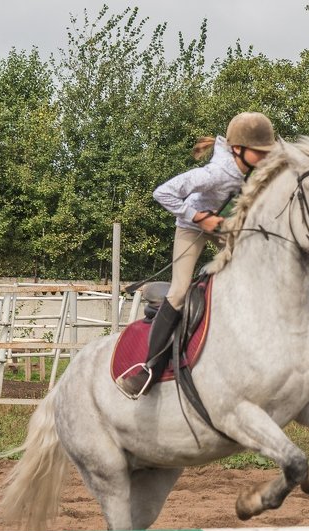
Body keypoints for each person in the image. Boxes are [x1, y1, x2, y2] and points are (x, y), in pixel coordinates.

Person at [118, 111, 277, 398]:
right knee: (179, 292)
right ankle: (149, 368)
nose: (265, 157)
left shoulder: (253, 169)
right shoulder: (214, 173)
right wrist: (197, 217)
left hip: (222, 227)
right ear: (238, 149)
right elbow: (161, 193)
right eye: (260, 151)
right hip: (192, 227)